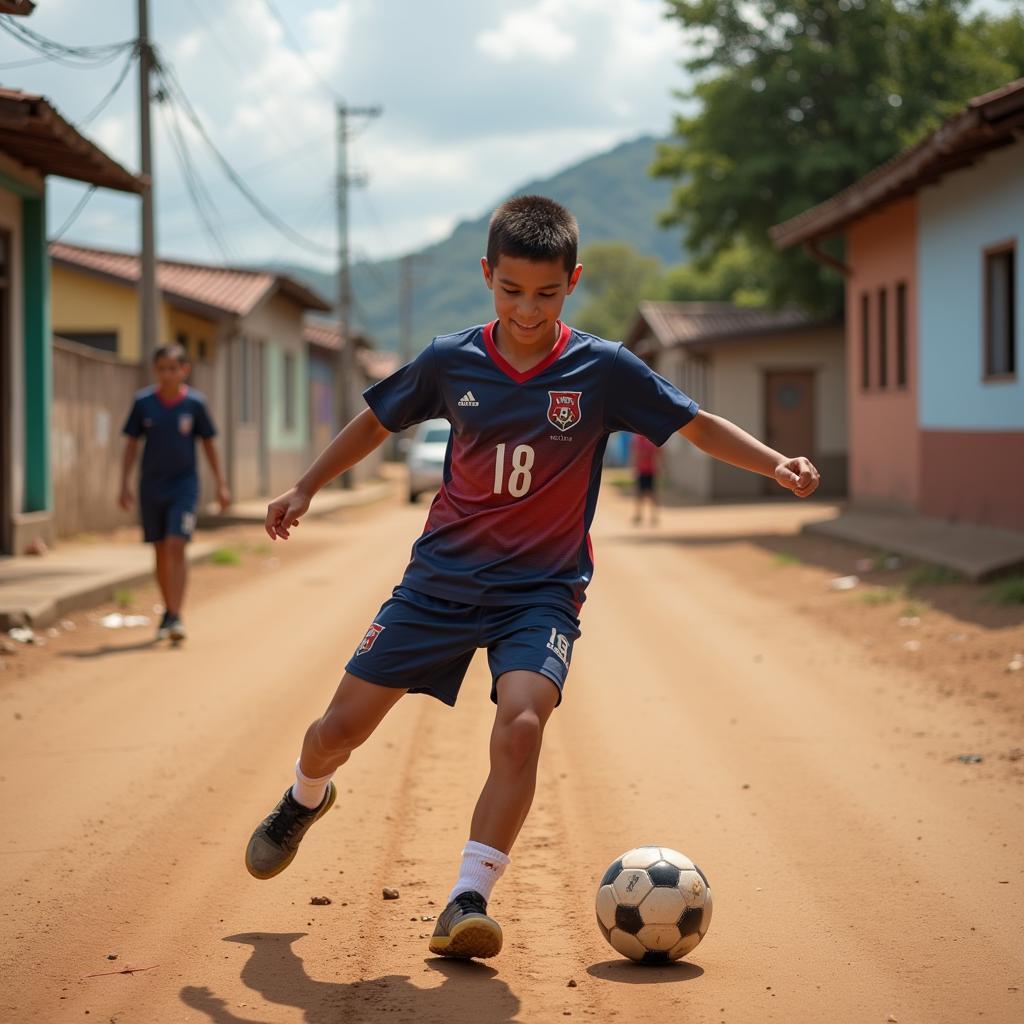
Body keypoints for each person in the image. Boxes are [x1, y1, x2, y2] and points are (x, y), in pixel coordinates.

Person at [245, 196, 819, 960]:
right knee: (336, 733)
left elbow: (694, 422)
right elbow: (377, 421)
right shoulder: (452, 360)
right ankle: (304, 796)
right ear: (487, 275)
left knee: (521, 726)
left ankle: (467, 899)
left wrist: (774, 460)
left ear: (572, 282)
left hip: (540, 592)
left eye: (546, 293)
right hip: (437, 584)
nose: (526, 308)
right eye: (511, 290)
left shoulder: (603, 369)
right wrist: (307, 485)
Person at [119, 343, 230, 642]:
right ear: (155, 371)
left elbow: (208, 444)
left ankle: (176, 615)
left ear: (184, 370)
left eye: (173, 368)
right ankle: (168, 610)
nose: (168, 374)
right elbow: (131, 445)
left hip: (184, 487)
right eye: (162, 369)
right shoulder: (143, 404)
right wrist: (123, 484)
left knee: (176, 545)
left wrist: (221, 484)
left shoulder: (194, 404)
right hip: (151, 487)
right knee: (159, 549)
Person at [631, 432, 660, 526]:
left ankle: (653, 516)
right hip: (642, 470)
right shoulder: (638, 439)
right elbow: (635, 454)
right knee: (640, 494)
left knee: (651, 494)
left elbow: (657, 454)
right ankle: (639, 515)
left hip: (650, 471)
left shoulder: (651, 440)